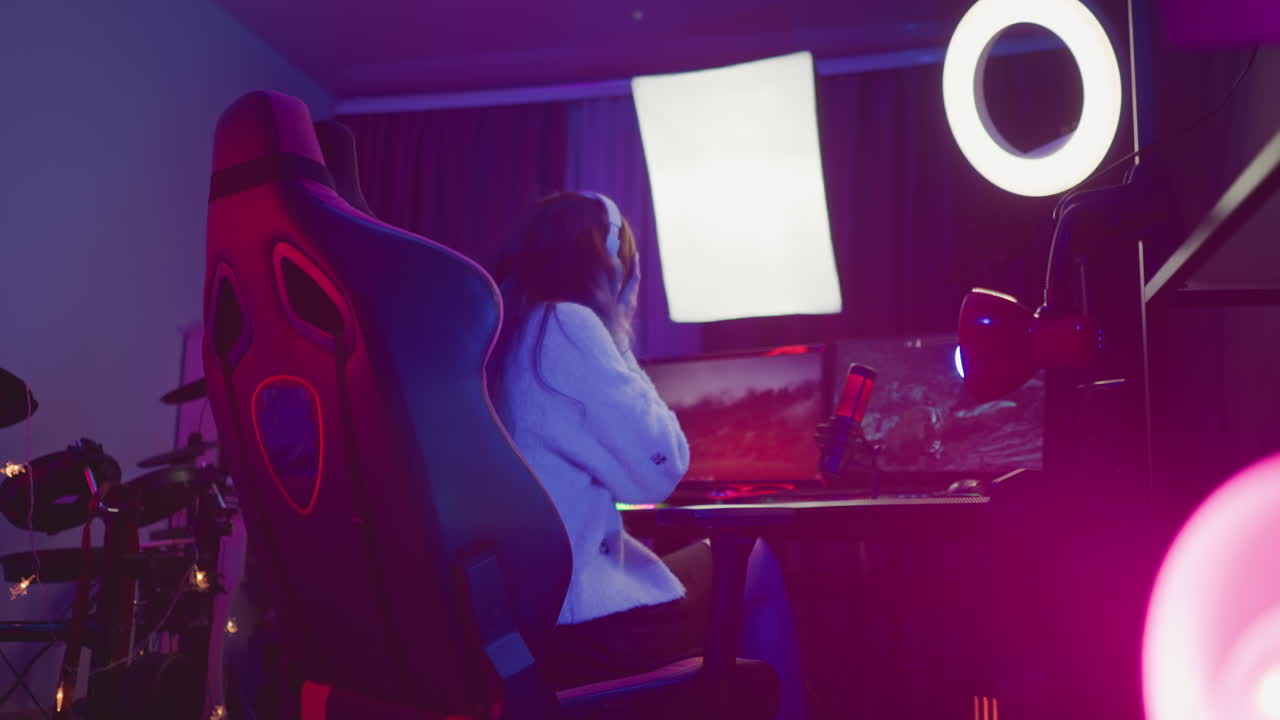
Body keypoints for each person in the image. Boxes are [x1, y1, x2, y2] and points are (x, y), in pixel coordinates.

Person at [488, 192, 805, 719]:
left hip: (517, 627)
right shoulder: (567, 325)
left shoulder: (500, 335)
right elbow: (660, 468)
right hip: (579, 632)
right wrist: (613, 328)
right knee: (756, 559)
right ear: (607, 265)